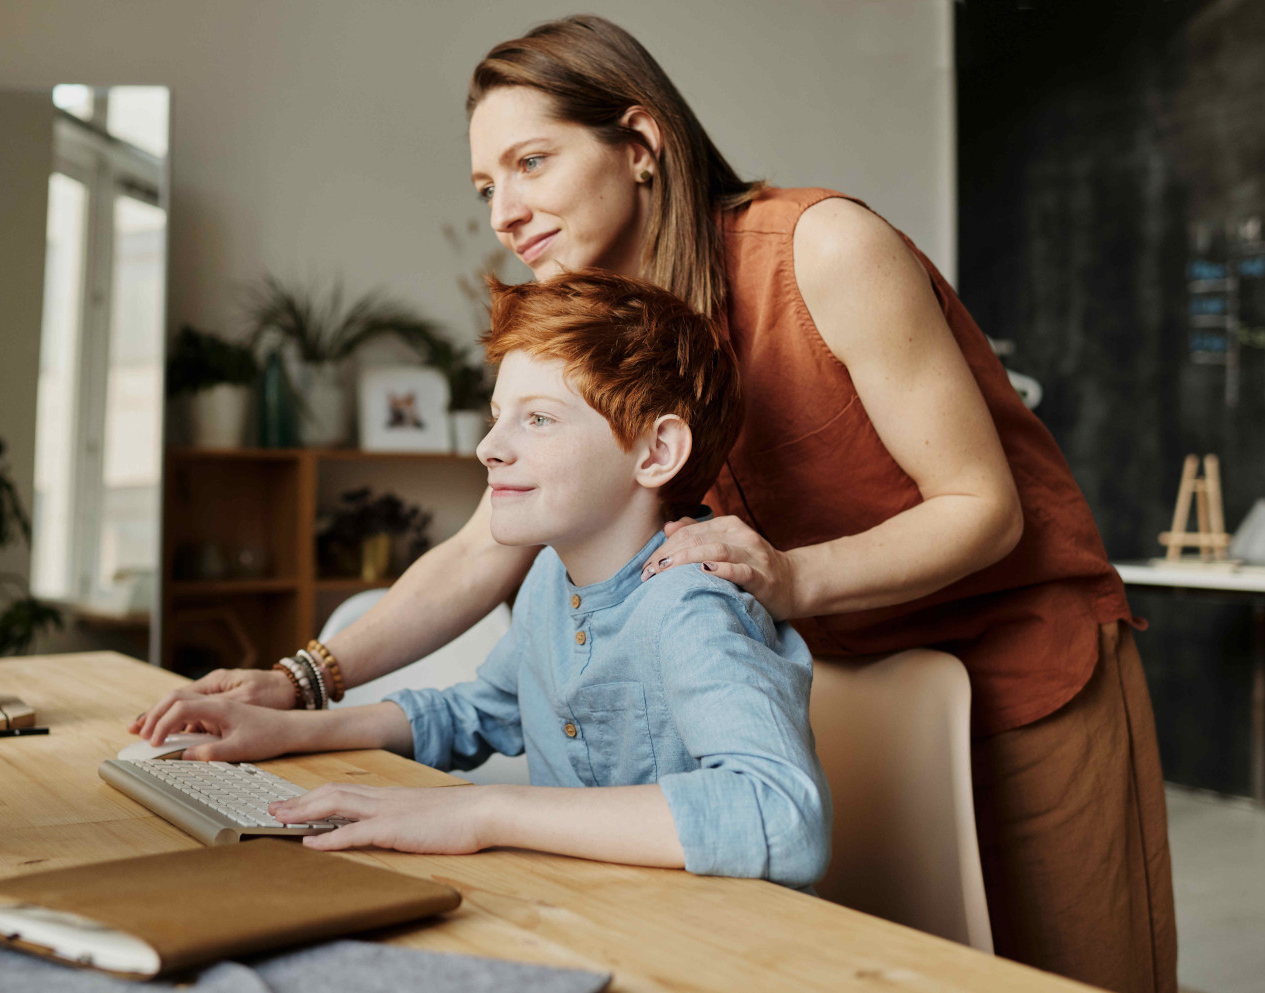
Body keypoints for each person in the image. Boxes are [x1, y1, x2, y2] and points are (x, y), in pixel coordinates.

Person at [134, 16, 1174, 992]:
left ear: (639, 141)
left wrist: (789, 575)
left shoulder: (821, 248)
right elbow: (482, 547)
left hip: (1022, 666)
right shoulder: (614, 325)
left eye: (531, 162)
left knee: (1070, 974)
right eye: (485, 183)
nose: (503, 211)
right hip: (838, 675)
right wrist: (298, 681)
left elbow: (980, 507)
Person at [137, 271, 831, 886]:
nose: (489, 447)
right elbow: (479, 712)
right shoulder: (548, 585)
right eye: (499, 415)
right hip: (582, 912)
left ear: (656, 451)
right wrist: (284, 729)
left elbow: (782, 812)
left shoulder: (692, 605)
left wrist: (484, 811)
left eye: (537, 419)